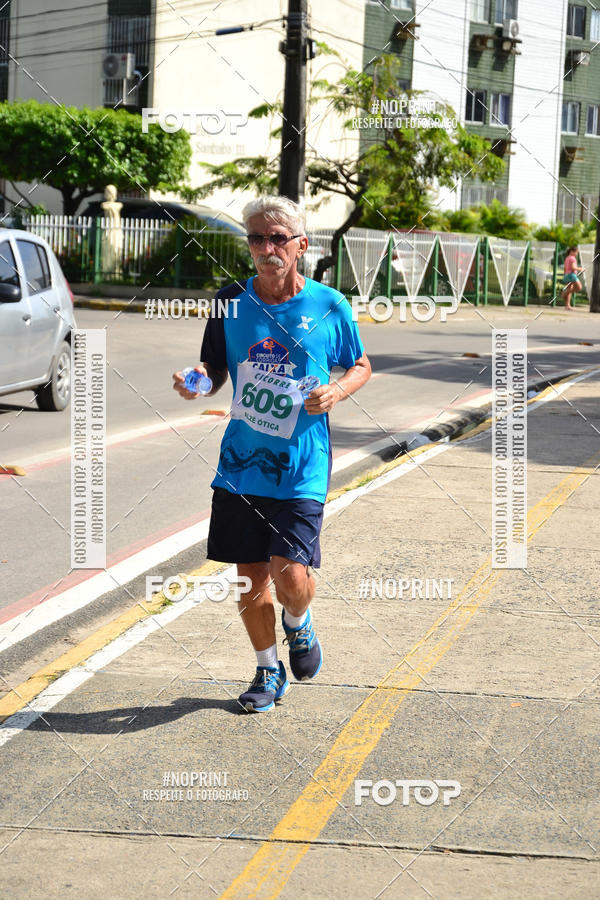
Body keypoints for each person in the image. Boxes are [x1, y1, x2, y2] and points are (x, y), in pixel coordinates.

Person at [172, 196, 371, 712]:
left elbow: (360, 364)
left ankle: (299, 624)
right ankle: (266, 670)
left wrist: (337, 392)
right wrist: (197, 381)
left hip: (303, 465)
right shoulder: (230, 301)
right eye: (256, 239)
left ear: (301, 245)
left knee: (291, 575)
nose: (265, 248)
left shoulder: (330, 306)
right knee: (249, 577)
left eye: (277, 238)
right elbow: (213, 367)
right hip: (241, 465)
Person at [561, 246, 583, 310]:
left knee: (569, 291)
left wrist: (564, 275)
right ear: (572, 252)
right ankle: (564, 293)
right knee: (579, 287)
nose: (577, 254)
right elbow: (573, 267)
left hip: (566, 275)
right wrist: (580, 269)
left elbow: (565, 268)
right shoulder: (573, 258)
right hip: (572, 275)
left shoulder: (567, 258)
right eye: (576, 252)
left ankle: (567, 305)